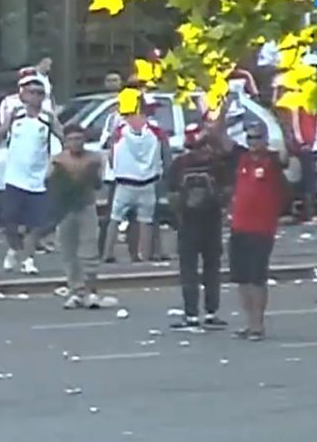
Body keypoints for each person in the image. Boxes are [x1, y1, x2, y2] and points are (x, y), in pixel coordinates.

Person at [219, 116, 287, 340]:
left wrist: (283, 131)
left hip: (262, 228)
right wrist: (222, 111)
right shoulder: (241, 158)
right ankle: (249, 323)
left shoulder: (273, 161)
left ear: (265, 141)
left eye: (258, 138)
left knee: (257, 277)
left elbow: (287, 157)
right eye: (250, 138)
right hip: (239, 226)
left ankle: (258, 325)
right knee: (242, 278)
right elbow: (220, 137)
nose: (253, 142)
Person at [0, 74, 59, 275]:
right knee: (8, 219)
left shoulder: (48, 118)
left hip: (37, 180)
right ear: (24, 95)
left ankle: (28, 258)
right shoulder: (15, 114)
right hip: (14, 178)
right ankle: (14, 249)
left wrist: (56, 165)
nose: (35, 96)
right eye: (31, 92)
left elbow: (62, 138)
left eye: (39, 93)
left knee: (35, 224)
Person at [166, 121, 230, 328]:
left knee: (196, 269)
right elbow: (228, 190)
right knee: (203, 268)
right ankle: (202, 312)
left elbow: (170, 192)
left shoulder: (186, 164)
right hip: (201, 222)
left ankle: (199, 313)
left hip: (198, 222)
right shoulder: (214, 163)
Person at [106, 89, 169, 264]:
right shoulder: (157, 131)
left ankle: (107, 253)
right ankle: (144, 255)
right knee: (146, 221)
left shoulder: (120, 128)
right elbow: (165, 155)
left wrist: (115, 168)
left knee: (115, 218)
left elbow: (112, 152)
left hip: (124, 181)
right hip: (148, 182)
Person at [50, 122, 107, 309]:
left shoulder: (94, 158)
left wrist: (89, 174)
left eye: (79, 139)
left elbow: (98, 182)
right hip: (65, 209)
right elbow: (50, 184)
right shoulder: (57, 160)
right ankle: (76, 291)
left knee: (89, 252)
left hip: (86, 206)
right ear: (65, 141)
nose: (76, 143)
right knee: (68, 252)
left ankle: (91, 291)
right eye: (72, 139)